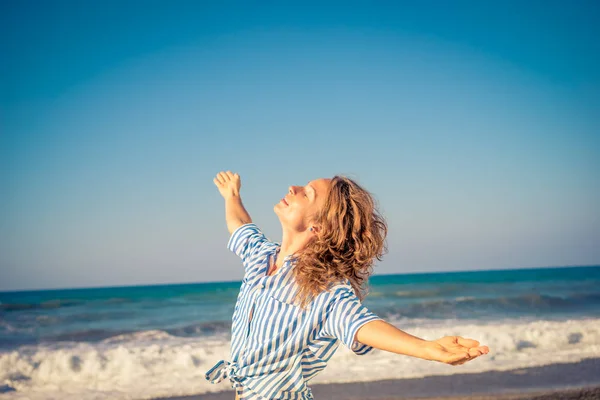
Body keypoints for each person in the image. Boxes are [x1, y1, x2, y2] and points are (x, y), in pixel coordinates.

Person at [205, 171, 490, 400]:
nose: (292, 188)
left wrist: (428, 349)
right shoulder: (260, 256)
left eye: (307, 193)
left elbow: (361, 324)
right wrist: (232, 195)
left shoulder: (322, 289)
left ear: (319, 227)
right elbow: (241, 226)